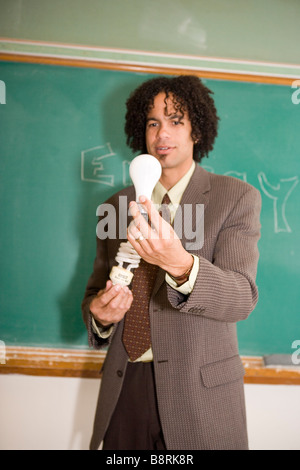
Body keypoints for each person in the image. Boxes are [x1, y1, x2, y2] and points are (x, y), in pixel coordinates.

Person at [81, 75, 261, 450]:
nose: (162, 133)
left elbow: (241, 297)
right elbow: (95, 295)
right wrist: (100, 315)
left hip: (198, 396)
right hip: (125, 387)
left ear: (198, 128)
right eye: (152, 123)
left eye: (176, 120)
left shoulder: (235, 198)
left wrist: (180, 263)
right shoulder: (117, 205)